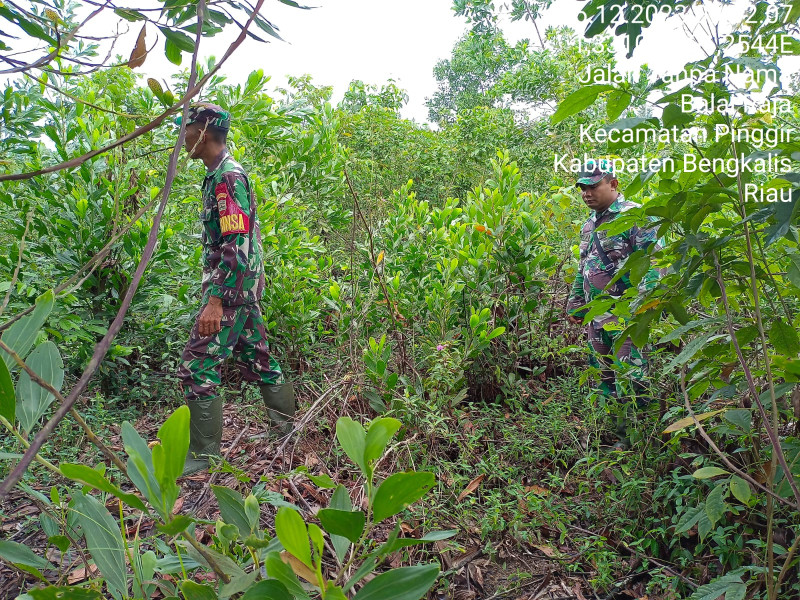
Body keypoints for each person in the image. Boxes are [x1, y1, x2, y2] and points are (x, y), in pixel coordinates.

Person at [175, 103, 295, 476]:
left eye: (187, 129)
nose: (182, 136)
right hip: (239, 287)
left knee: (196, 365)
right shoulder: (216, 175)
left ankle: (204, 457)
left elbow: (237, 242)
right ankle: (286, 435)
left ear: (205, 131)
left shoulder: (229, 178)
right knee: (259, 359)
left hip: (230, 289)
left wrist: (216, 299)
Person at [566, 159, 661, 450]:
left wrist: (641, 309)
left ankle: (643, 441)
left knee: (631, 376)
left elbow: (654, 261)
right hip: (597, 316)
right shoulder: (588, 226)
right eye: (582, 188)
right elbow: (585, 266)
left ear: (613, 184)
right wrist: (575, 303)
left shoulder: (634, 217)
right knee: (603, 374)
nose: (586, 193)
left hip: (625, 314)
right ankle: (615, 437)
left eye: (592, 186)